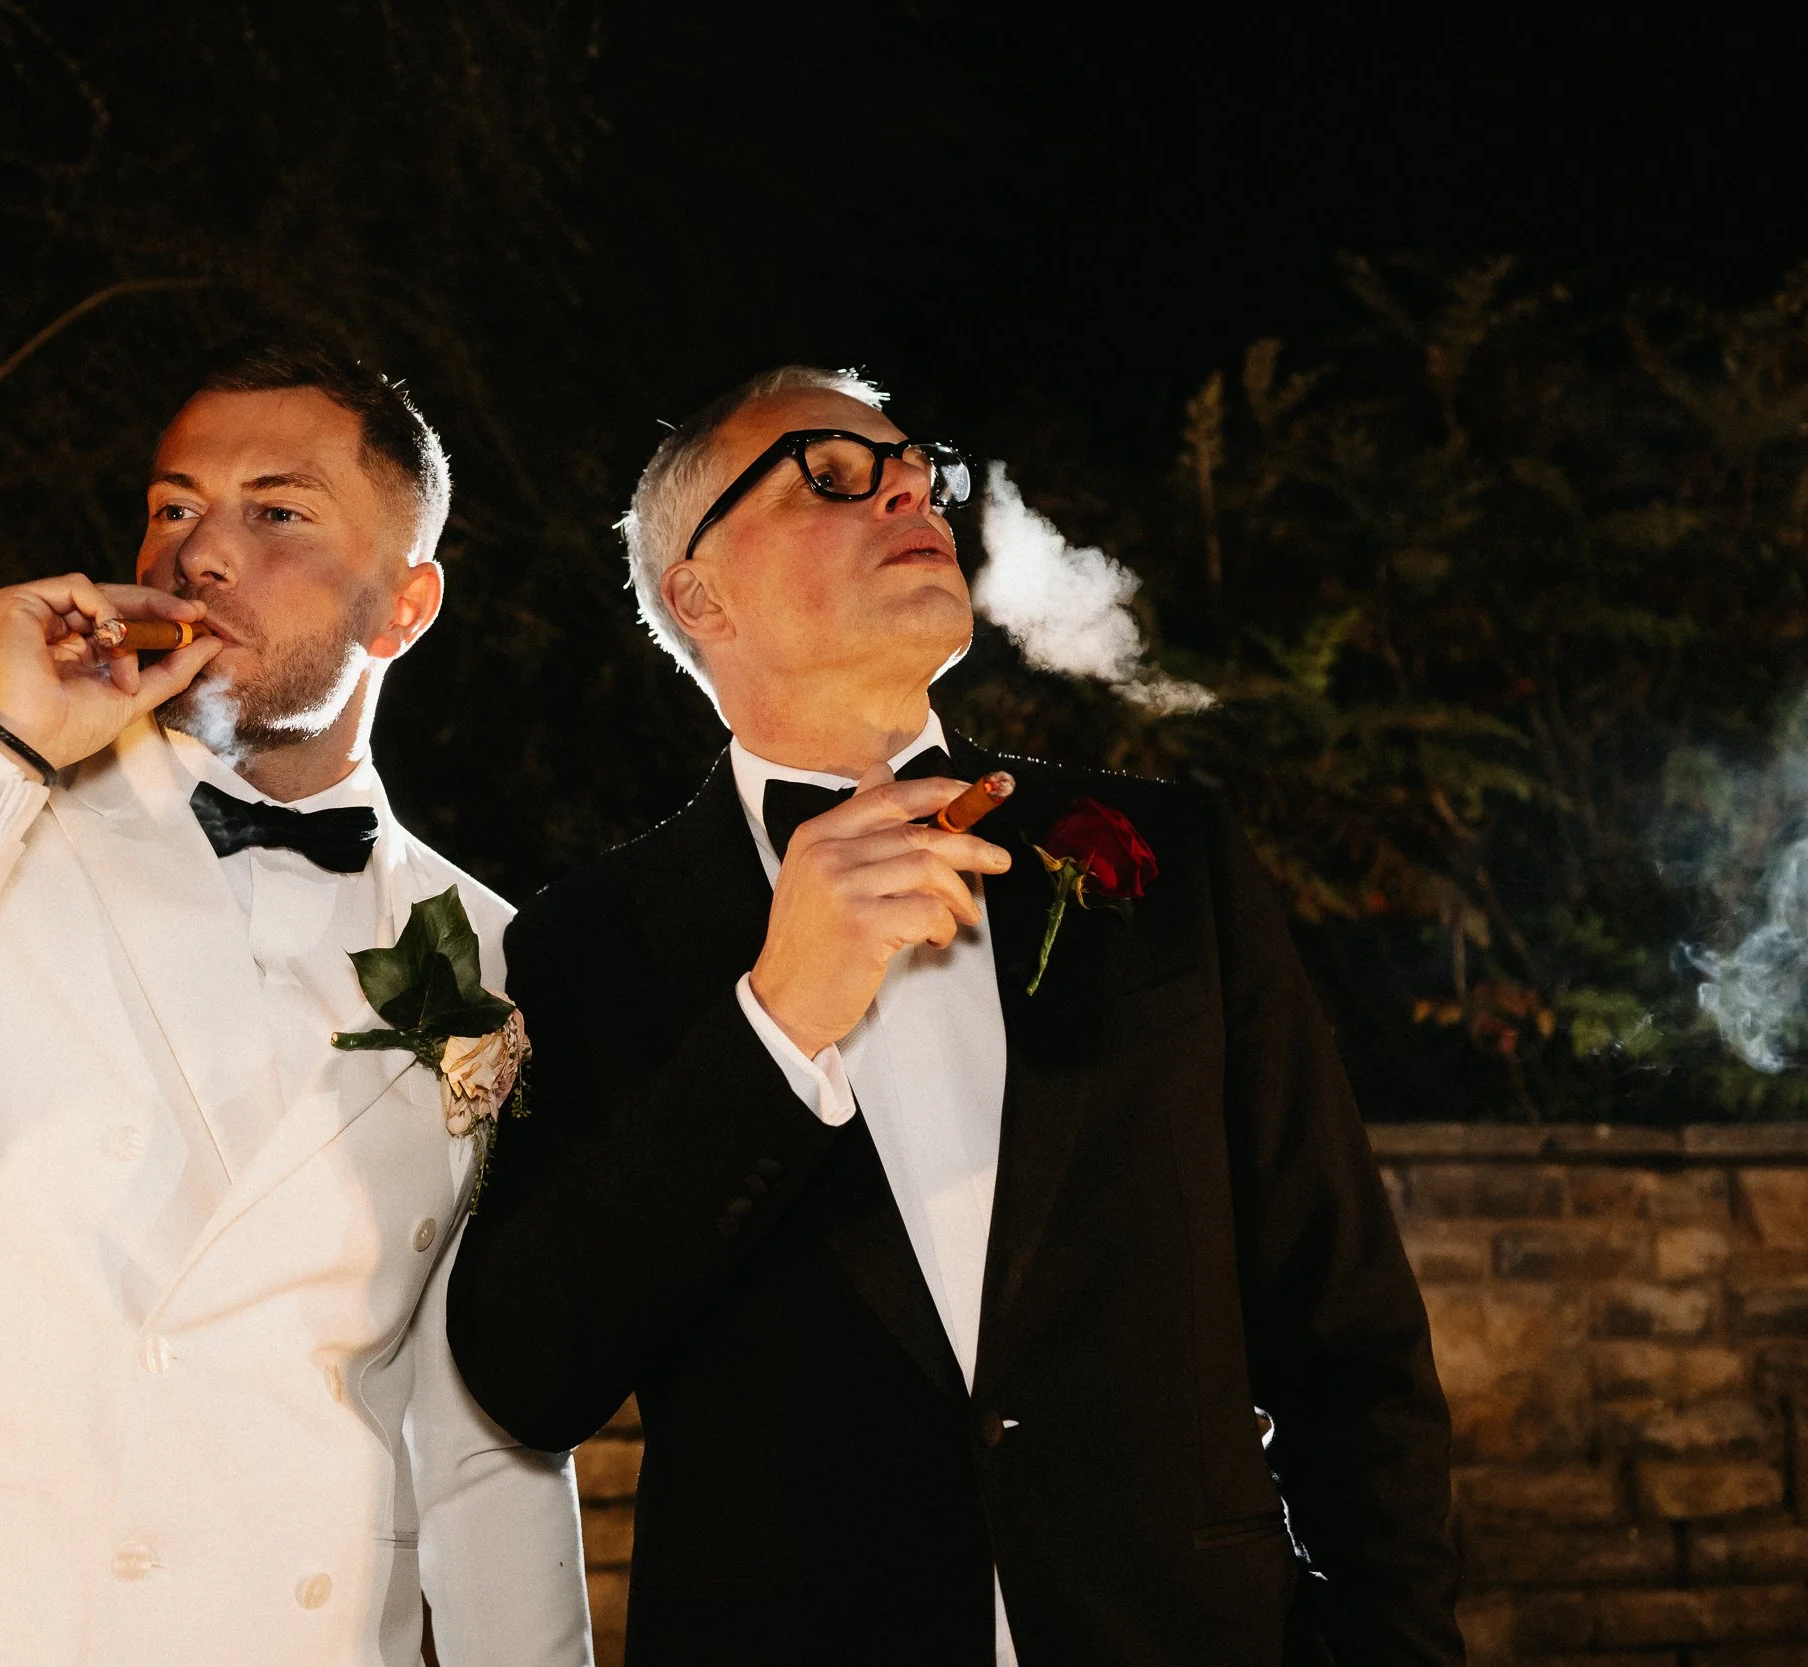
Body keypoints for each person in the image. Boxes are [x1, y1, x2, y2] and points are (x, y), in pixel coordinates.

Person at [446, 365, 1462, 1664]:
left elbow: (1349, 1336)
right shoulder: (587, 946)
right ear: (699, 591)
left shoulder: (1170, 863)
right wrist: (775, 1020)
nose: (909, 486)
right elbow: (530, 1373)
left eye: (914, 465)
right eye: (831, 471)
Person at [0, 344, 593, 1667]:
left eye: (276, 510)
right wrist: (5, 753)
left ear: (404, 604)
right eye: (175, 505)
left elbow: (483, 1427)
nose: (202, 553)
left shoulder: (479, 949)